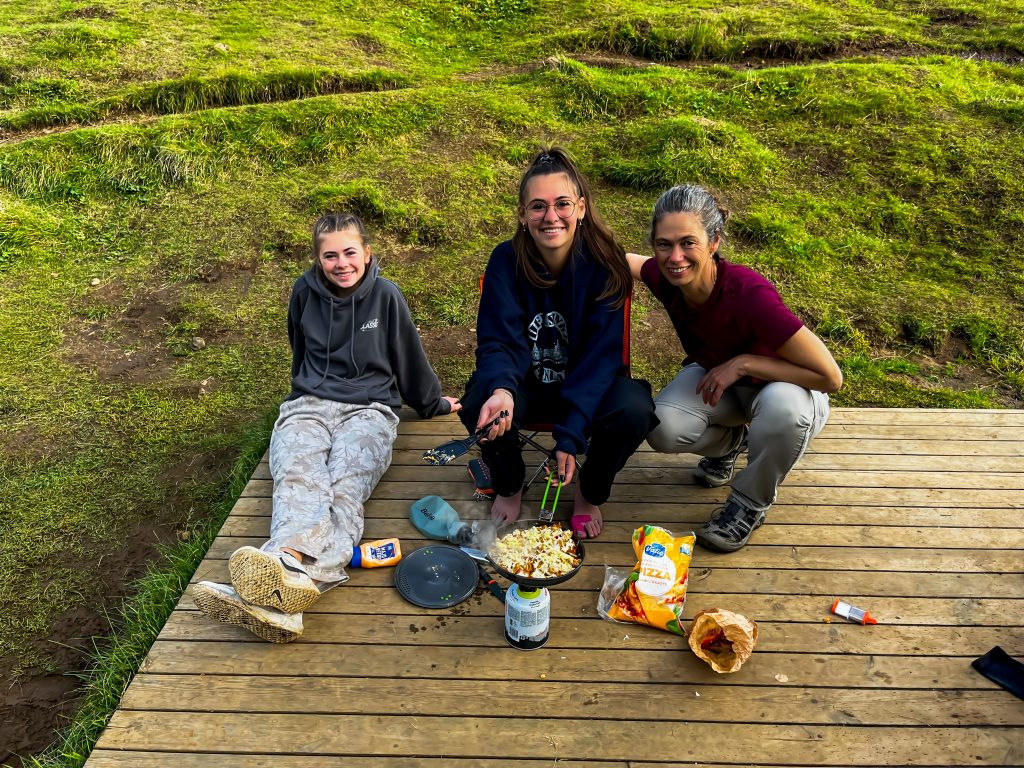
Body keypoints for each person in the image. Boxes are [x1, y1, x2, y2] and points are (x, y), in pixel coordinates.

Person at [193, 213, 461, 642]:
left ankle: (279, 571)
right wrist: (307, 389)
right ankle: (295, 584)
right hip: (311, 403)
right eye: (330, 255)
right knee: (298, 472)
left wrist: (431, 403)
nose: (342, 263)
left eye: (350, 252)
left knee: (345, 484)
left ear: (367, 253)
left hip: (370, 409)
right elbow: (299, 348)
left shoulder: (387, 297)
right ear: (318, 261)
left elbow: (409, 355)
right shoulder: (303, 293)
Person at [628, 185, 842, 552]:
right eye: (664, 244)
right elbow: (617, 259)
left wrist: (743, 364)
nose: (675, 256)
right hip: (728, 389)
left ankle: (748, 504)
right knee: (662, 426)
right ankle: (734, 444)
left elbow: (830, 377)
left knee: (784, 412)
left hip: (791, 389)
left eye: (687, 243)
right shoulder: (665, 277)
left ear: (714, 242)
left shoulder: (749, 294)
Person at [459, 147, 658, 539]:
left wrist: (570, 435)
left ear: (581, 208)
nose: (550, 217)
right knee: (481, 396)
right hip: (527, 386)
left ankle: (589, 490)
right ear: (522, 215)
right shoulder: (505, 260)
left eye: (562, 204)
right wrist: (502, 389)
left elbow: (602, 360)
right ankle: (510, 481)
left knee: (633, 408)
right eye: (537, 207)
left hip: (588, 387)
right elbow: (498, 340)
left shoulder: (604, 264)